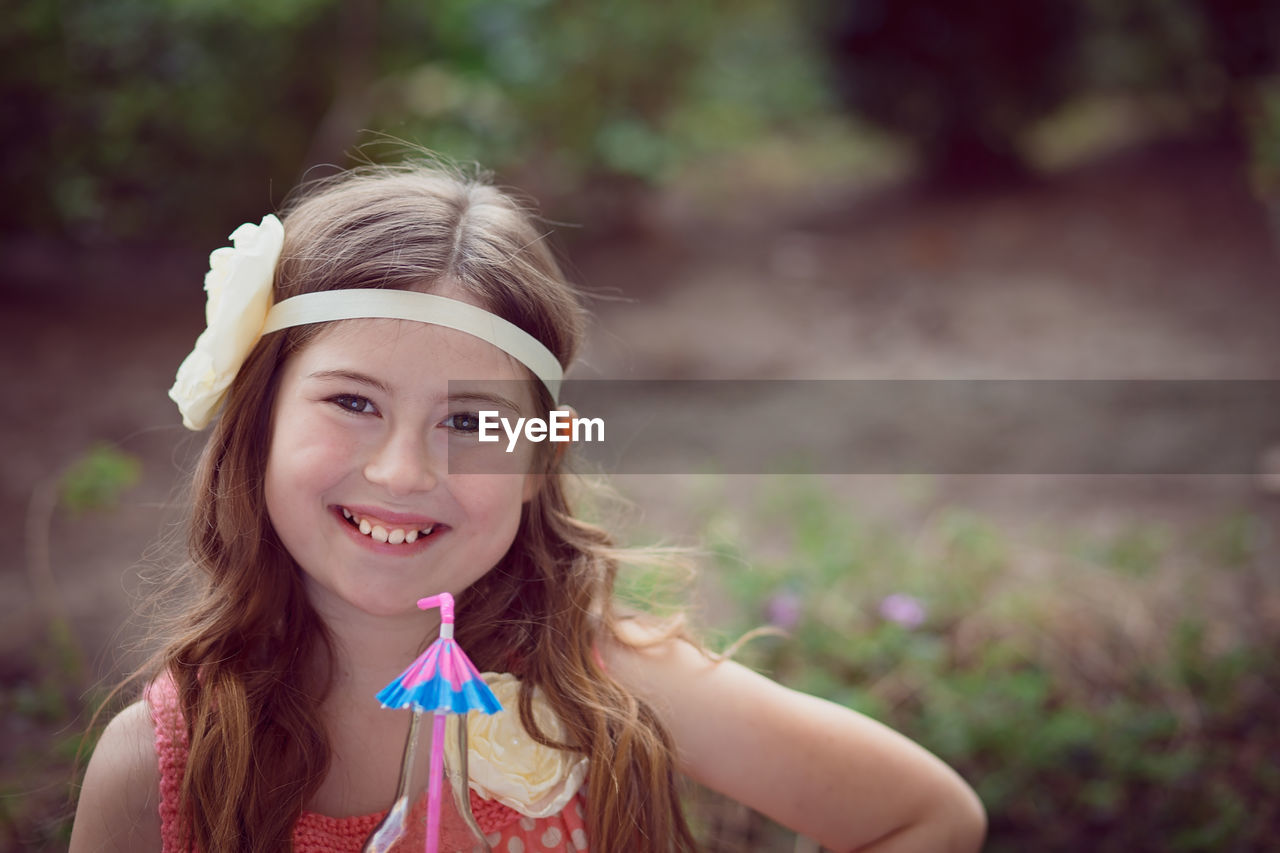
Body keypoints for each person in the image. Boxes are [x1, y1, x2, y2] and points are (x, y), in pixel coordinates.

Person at [69, 162, 986, 853]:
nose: (399, 471)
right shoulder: (164, 767)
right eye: (353, 401)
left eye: (468, 419)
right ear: (258, 418)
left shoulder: (600, 683)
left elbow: (927, 814)